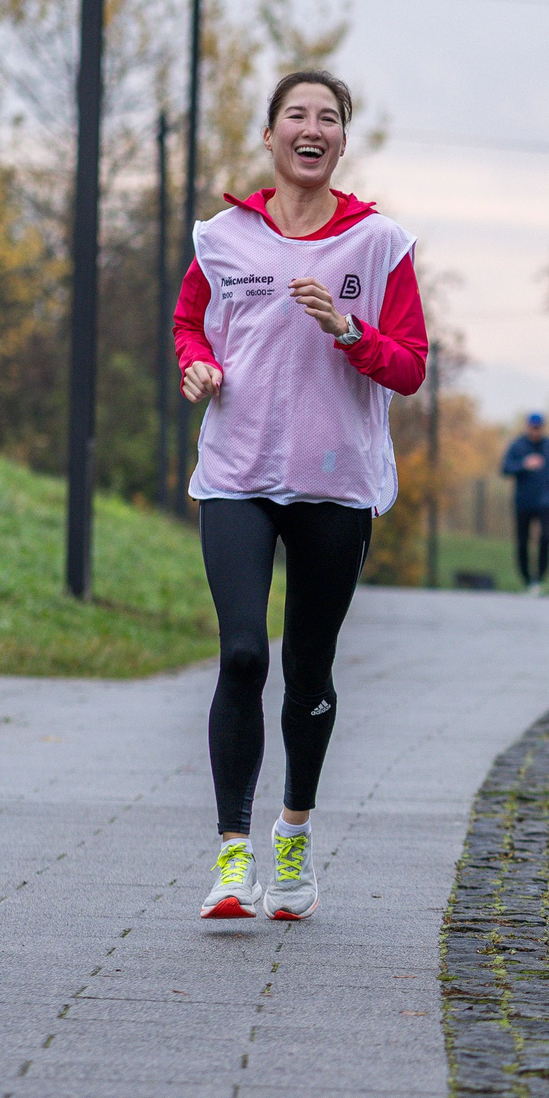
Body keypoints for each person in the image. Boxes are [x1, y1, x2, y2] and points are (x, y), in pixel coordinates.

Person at [174, 69, 426, 923]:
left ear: (342, 142)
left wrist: (349, 331)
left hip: (336, 482)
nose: (311, 129)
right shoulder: (221, 238)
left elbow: (411, 365)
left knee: (307, 666)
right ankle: (232, 856)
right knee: (244, 654)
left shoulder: (379, 244)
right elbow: (189, 327)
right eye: (296, 116)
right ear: (272, 135)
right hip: (238, 474)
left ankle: (295, 834)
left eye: (328, 118)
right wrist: (195, 367)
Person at [499, 413, 549, 592]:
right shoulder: (517, 446)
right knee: (523, 541)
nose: (536, 431)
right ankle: (527, 579)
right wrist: (524, 464)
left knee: (545, 537)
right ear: (527, 427)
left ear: (543, 428)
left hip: (546, 499)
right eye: (533, 427)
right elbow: (505, 468)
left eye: (539, 428)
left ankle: (540, 577)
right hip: (524, 501)